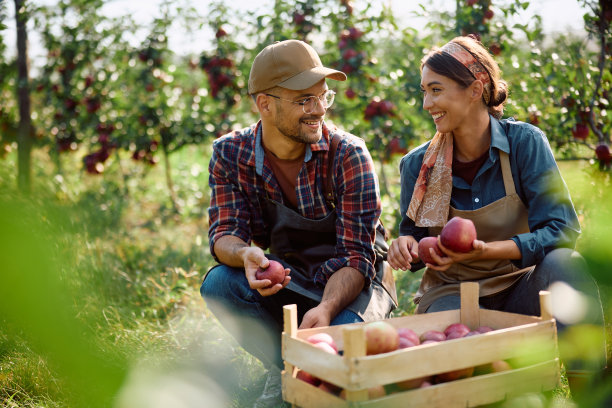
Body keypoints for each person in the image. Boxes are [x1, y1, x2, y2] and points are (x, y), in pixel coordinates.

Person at [387, 35, 607, 395]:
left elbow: (562, 228)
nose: (427, 103)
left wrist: (489, 251)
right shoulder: (418, 165)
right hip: (452, 290)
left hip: (520, 284)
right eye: (424, 91)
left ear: (475, 89)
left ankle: (591, 394)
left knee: (567, 263)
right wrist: (405, 246)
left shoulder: (524, 144)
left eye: (436, 90)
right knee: (450, 361)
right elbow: (412, 235)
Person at [200, 39, 396, 408]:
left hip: (356, 283)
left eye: (324, 97)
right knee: (220, 284)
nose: (319, 109)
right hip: (294, 276)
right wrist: (245, 255)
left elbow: (357, 258)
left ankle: (314, 372)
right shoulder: (230, 154)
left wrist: (325, 308)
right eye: (305, 99)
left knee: (339, 367)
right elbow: (223, 233)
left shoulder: (348, 154)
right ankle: (286, 370)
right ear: (265, 104)